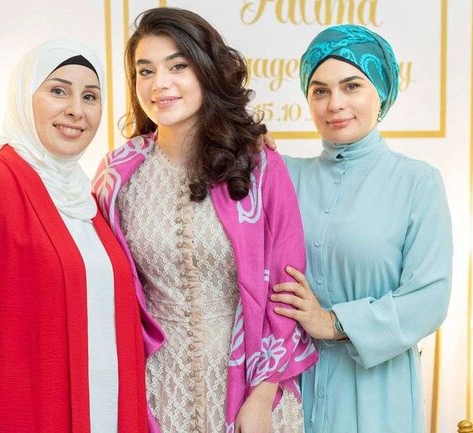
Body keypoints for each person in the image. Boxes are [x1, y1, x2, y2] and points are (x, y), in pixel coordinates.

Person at [93, 8, 318, 433]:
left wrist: (263, 395)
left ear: (206, 70)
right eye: (145, 71)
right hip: (156, 386)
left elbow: (285, 288)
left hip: (248, 384)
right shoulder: (117, 175)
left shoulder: (258, 166)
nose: (159, 83)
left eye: (177, 66)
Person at [0, 40, 148, 433]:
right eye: (58, 91)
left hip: (106, 415)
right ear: (24, 96)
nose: (76, 109)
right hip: (24, 416)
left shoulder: (89, 199)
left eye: (90, 96)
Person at [270, 25, 453, 433]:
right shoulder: (283, 176)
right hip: (292, 389)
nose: (335, 104)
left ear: (381, 92)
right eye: (319, 91)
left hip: (376, 394)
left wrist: (333, 322)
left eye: (351, 86)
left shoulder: (417, 182)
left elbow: (429, 297)